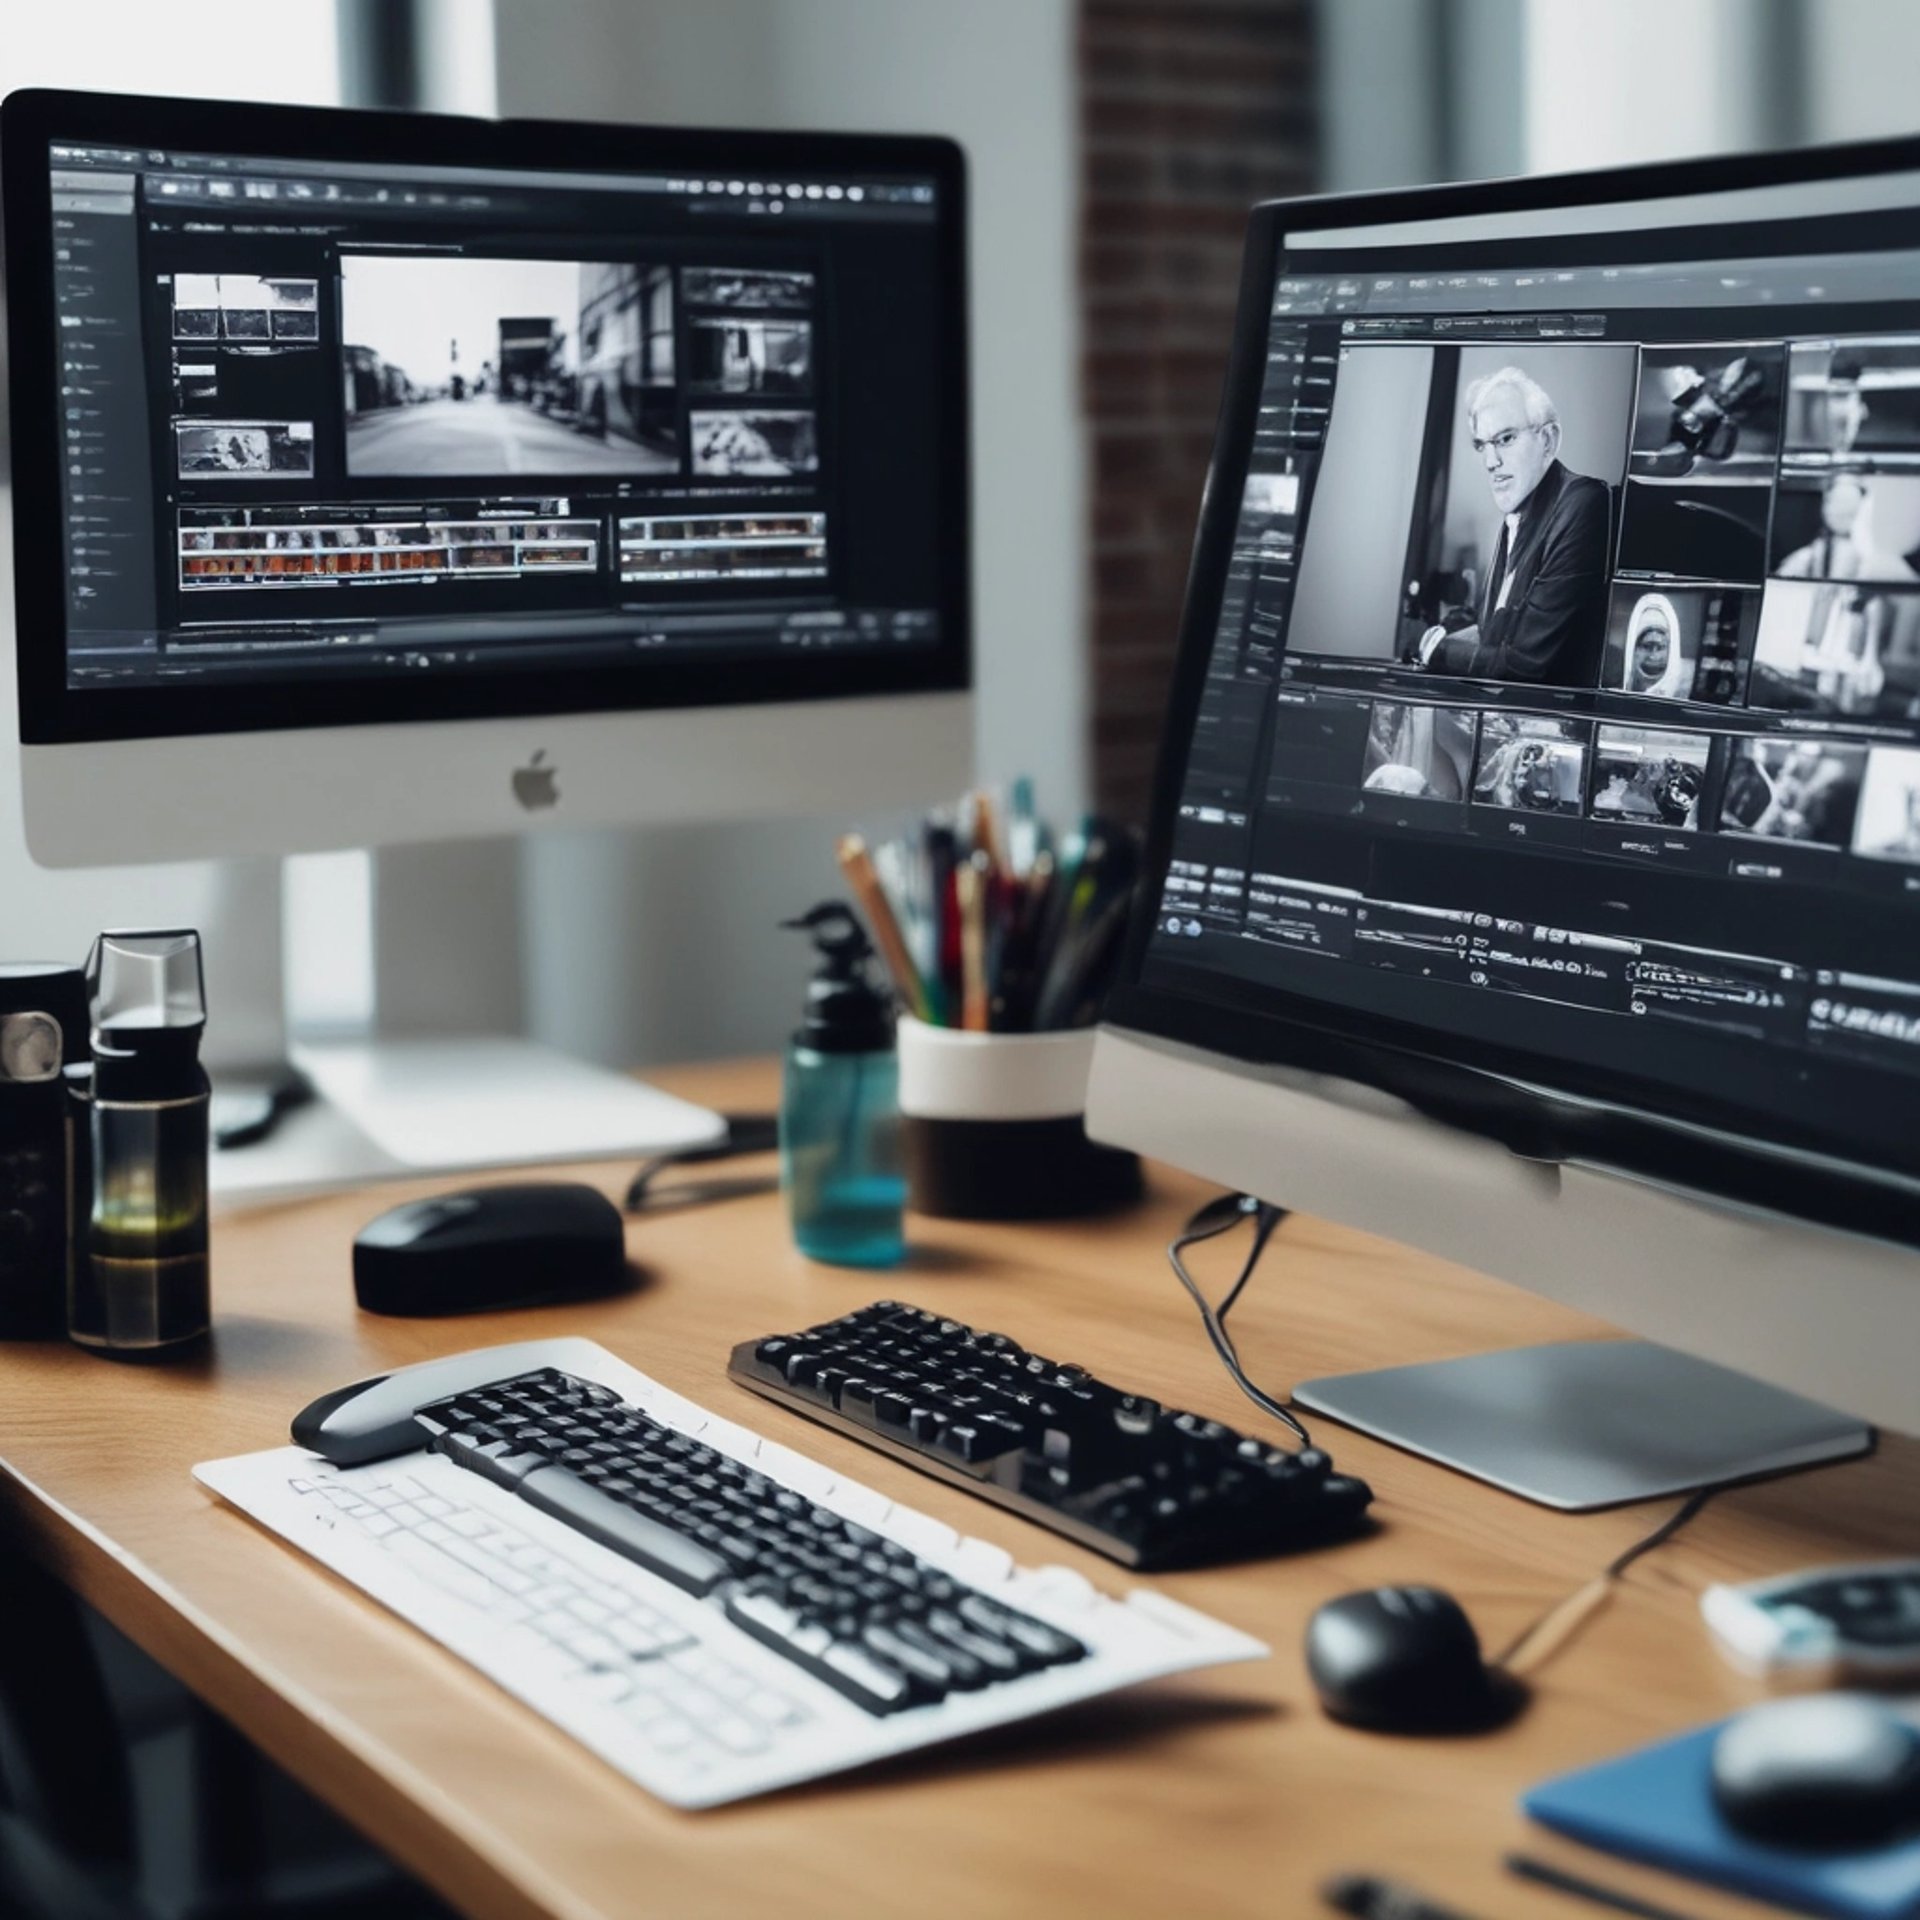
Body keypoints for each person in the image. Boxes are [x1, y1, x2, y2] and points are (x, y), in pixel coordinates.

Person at [1414, 366, 1612, 684]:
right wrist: (1451, 633)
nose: (1491, 462)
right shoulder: (1516, 516)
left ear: (1548, 440)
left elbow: (1525, 664)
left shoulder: (1583, 502)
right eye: (1482, 445)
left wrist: (1436, 651)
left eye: (1505, 439)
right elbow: (1492, 631)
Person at [1775, 472, 1920, 582]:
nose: (1840, 511)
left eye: (1847, 506)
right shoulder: (1807, 557)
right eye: (1835, 503)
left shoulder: (1879, 559)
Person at [1616, 591, 1696, 699]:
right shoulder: (1614, 681)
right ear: (1632, 648)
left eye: (1660, 647)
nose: (1653, 656)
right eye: (1646, 646)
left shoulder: (1692, 681)